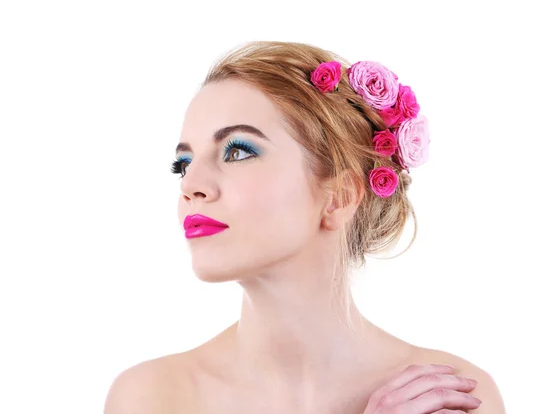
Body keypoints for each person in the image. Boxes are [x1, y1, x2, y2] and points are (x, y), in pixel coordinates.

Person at [104, 40, 506, 414]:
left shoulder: (451, 395)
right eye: (183, 164)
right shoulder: (152, 397)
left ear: (340, 196)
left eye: (237, 151)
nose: (191, 185)